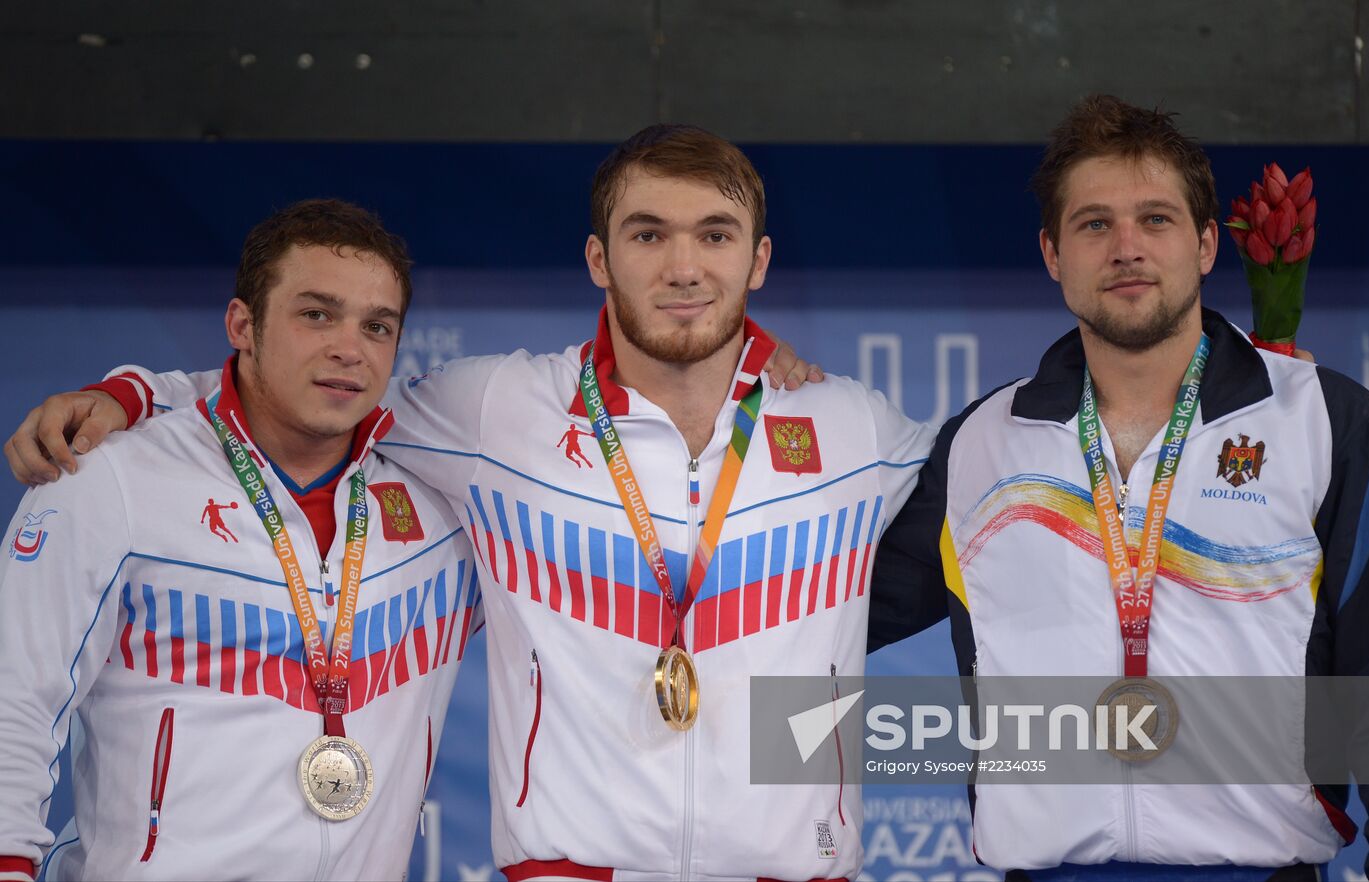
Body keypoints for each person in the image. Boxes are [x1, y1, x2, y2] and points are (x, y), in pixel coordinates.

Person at [5, 126, 932, 881]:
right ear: (599, 258)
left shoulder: (855, 428)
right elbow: (304, 400)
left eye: (715, 236)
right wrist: (133, 396)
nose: (684, 267)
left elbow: (1005, 492)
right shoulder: (494, 411)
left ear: (758, 260)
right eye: (649, 234)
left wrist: (1074, 749)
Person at [869, 95, 1369, 879]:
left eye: (1156, 219)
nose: (1127, 248)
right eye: (1094, 225)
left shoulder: (1329, 425)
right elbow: (821, 610)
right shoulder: (981, 443)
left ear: (1207, 243)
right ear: (1052, 253)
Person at [0, 199, 479, 881]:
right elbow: (14, 701)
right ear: (242, 325)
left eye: (377, 326)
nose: (349, 346)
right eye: (317, 314)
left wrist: (134, 390)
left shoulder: (441, 497)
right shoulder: (110, 477)